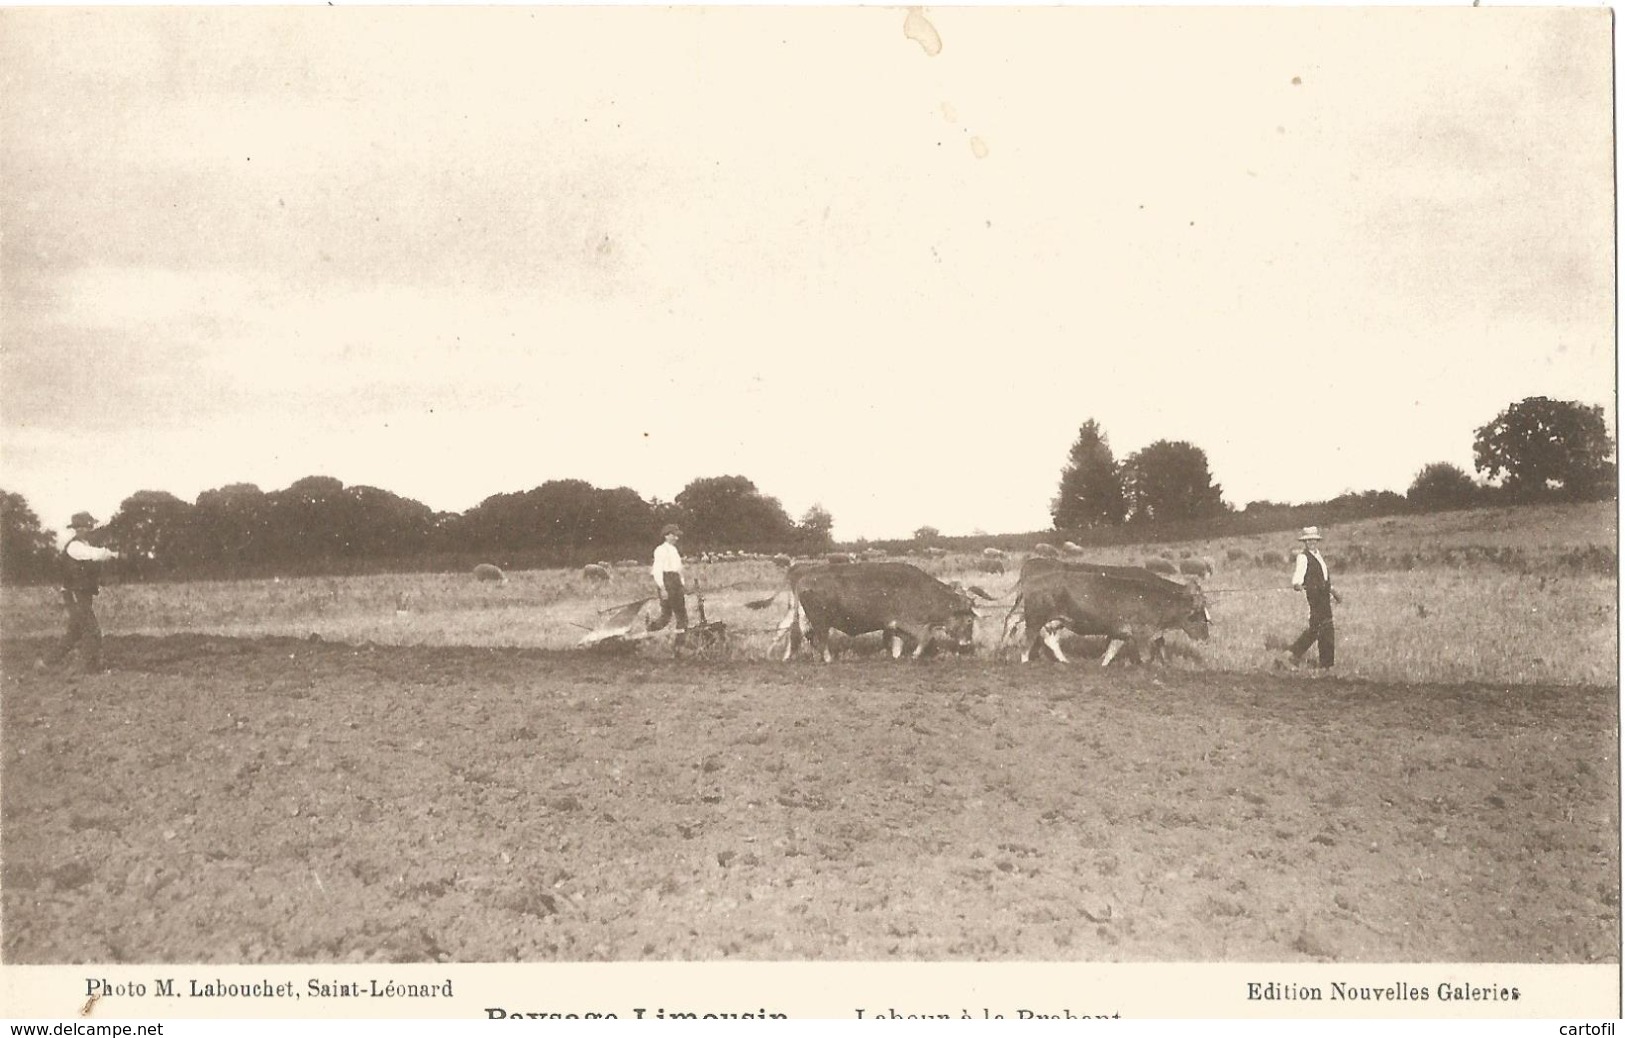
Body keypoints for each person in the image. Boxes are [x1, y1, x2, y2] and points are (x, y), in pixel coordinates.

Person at [39, 511, 120, 674]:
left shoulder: (83, 544)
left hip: (80, 593)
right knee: (92, 630)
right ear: (80, 528)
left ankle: (46, 663)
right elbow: (97, 555)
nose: (91, 528)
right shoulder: (76, 546)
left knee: (74, 632)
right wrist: (115, 553)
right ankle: (91, 669)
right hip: (76, 593)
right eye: (89, 525)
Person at [1287, 525, 1341, 669]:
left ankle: (1294, 654)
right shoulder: (1303, 557)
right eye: (1308, 540)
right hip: (1315, 595)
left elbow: (1324, 578)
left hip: (1324, 594)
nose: (1311, 542)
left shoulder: (1318, 555)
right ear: (1304, 542)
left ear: (1317, 541)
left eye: (1314, 540)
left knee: (1319, 627)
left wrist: (1334, 593)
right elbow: (1298, 576)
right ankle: (1324, 663)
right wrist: (1297, 584)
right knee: (1324, 626)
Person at [646, 523, 688, 651]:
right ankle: (679, 647)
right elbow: (657, 570)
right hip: (667, 582)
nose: (676, 538)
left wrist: (682, 584)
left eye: (677, 536)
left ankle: (650, 629)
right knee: (678, 616)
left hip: (675, 582)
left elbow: (678, 569)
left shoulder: (674, 550)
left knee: (671, 616)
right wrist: (662, 588)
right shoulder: (660, 550)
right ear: (666, 536)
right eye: (674, 535)